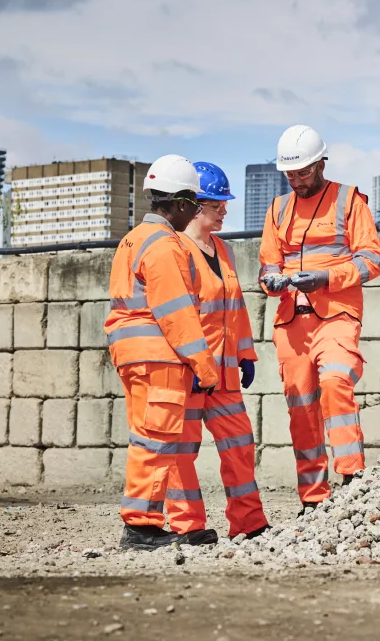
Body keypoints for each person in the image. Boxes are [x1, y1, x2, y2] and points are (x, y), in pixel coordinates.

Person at [258, 125, 380, 514]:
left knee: (334, 381)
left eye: (303, 173)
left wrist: (327, 278)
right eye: (290, 175)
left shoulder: (349, 201)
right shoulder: (278, 209)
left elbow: (372, 260)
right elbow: (267, 265)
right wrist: (272, 283)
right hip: (291, 321)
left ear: (320, 164)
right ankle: (313, 497)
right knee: (301, 406)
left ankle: (351, 478)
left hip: (336, 315)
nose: (296, 181)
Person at [105, 154, 220, 551]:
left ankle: (144, 524)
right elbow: (177, 314)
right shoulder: (166, 245)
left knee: (145, 439)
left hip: (132, 353)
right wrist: (206, 368)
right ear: (178, 202)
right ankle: (141, 528)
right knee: (157, 441)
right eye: (193, 202)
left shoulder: (133, 238)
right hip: (158, 357)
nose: (196, 210)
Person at [165, 161, 270, 541]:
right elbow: (175, 315)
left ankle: (249, 523)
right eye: (217, 205)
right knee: (181, 453)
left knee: (240, 446)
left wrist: (246, 354)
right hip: (189, 374)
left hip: (223, 377)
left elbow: (234, 308)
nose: (225, 211)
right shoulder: (175, 251)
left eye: (225, 205)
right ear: (193, 205)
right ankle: (187, 526)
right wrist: (191, 362)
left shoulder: (223, 250)